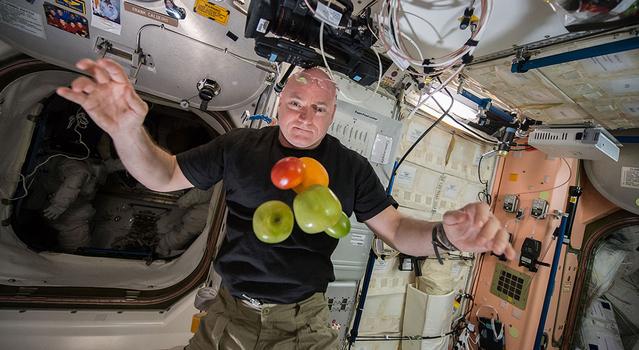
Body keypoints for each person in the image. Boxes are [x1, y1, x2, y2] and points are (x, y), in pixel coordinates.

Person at [57, 58, 516, 349]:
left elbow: (396, 229)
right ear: (280, 104)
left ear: (333, 115)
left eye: (319, 109)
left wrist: (443, 234)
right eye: (297, 103)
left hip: (304, 325)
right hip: (227, 313)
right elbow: (162, 175)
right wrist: (126, 132)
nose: (305, 117)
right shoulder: (238, 147)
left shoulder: (351, 167)